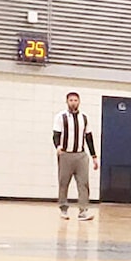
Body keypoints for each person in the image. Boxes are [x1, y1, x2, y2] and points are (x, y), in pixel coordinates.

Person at [53, 91, 98, 221]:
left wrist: (94, 156)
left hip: (81, 155)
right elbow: (56, 134)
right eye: (71, 100)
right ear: (67, 102)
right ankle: (63, 209)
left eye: (75, 100)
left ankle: (83, 211)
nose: (73, 102)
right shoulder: (61, 117)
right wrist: (58, 146)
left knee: (83, 183)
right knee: (63, 183)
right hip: (65, 154)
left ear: (79, 102)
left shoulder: (84, 117)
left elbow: (89, 137)